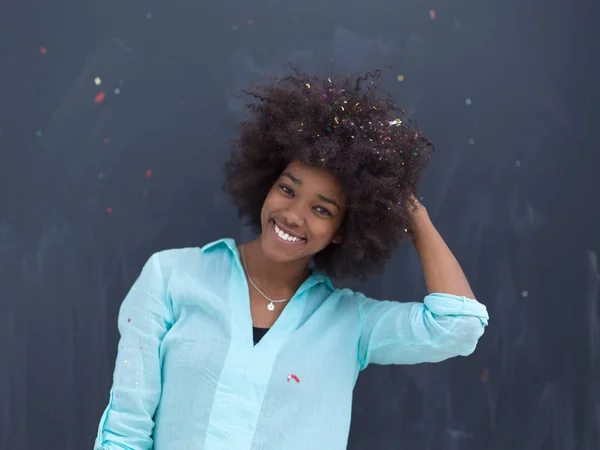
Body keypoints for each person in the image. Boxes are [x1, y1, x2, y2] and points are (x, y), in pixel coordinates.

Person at [94, 67, 489, 449]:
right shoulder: (171, 277)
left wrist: (409, 210)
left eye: (322, 210)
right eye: (287, 189)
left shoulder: (351, 323)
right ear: (266, 184)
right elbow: (124, 433)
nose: (294, 215)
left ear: (343, 232)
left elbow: (457, 326)